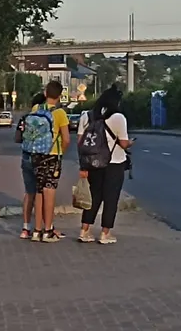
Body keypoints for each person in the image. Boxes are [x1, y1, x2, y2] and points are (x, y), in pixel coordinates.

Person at [77, 84, 133, 244]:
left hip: (93, 163)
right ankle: (105, 234)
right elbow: (123, 143)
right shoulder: (118, 118)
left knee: (93, 197)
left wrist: (83, 166)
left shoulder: (86, 116)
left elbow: (81, 143)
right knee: (111, 199)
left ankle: (84, 231)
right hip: (114, 163)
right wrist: (130, 143)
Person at [30, 80, 70, 243]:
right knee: (50, 191)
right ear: (60, 96)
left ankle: (36, 230)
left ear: (45, 93)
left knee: (39, 191)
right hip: (52, 155)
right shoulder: (60, 114)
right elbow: (66, 139)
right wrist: (61, 152)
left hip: (36, 155)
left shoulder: (35, 109)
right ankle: (48, 230)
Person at [17, 93, 46, 240]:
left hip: (26, 157)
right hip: (42, 159)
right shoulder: (48, 118)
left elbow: (17, 138)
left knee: (29, 193)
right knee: (43, 193)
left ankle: (25, 227)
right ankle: (42, 228)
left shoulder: (25, 118)